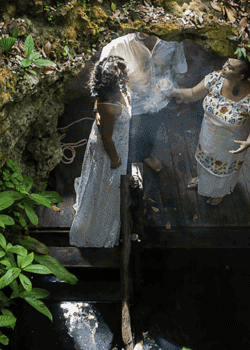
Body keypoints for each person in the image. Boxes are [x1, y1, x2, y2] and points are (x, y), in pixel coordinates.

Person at [171, 57, 250, 206]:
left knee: (222, 173)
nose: (224, 67)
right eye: (226, 63)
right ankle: (203, 181)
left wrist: (249, 142)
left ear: (241, 76)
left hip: (230, 144)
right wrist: (172, 91)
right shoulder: (215, 78)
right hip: (208, 134)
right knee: (204, 163)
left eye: (230, 67)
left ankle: (220, 192)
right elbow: (192, 93)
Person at [99, 33, 187, 173]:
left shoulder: (172, 41)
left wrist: (176, 91)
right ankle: (130, 163)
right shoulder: (117, 46)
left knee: (150, 134)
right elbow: (102, 80)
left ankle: (146, 155)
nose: (142, 30)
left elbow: (180, 68)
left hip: (160, 102)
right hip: (133, 107)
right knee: (129, 138)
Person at [69, 56, 131, 248]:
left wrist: (98, 117)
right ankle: (97, 230)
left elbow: (97, 110)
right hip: (110, 149)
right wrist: (116, 159)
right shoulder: (108, 104)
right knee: (105, 187)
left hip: (114, 137)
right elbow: (106, 138)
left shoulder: (106, 96)